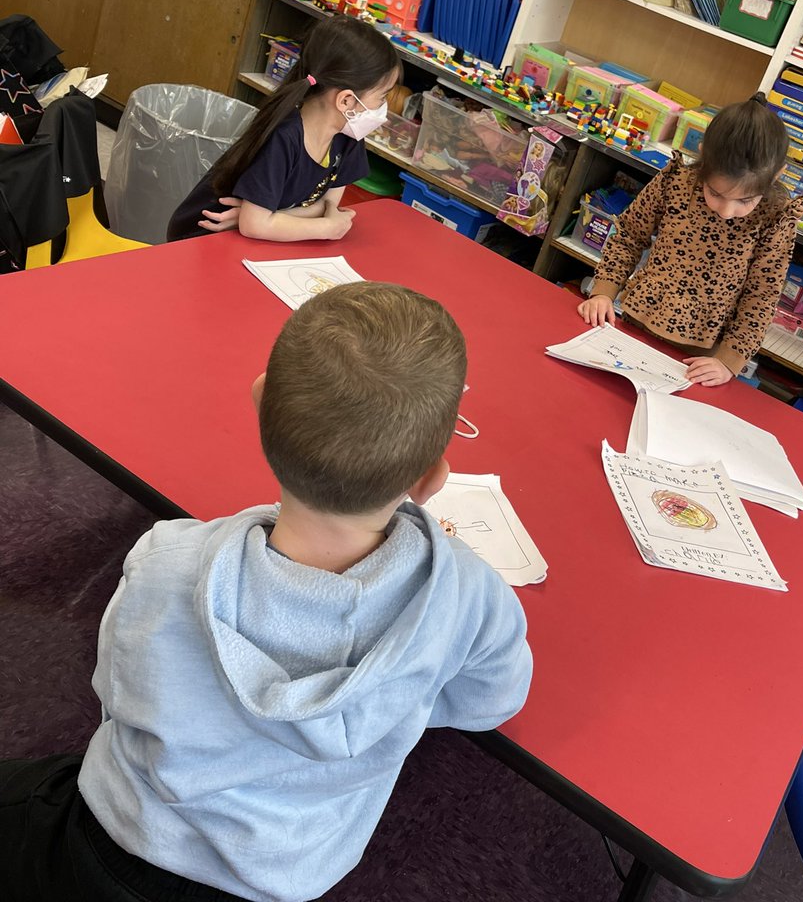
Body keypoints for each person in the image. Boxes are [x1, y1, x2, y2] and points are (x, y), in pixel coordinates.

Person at [0, 282, 532, 902]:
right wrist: (395, 694)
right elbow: (487, 704)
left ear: (258, 405)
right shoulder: (471, 599)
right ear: (433, 475)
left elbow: (115, 690)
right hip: (280, 876)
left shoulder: (169, 560)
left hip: (116, 838)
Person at [578, 95, 803, 387]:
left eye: (745, 201)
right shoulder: (676, 181)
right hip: (636, 318)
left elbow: (761, 295)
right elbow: (629, 234)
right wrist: (603, 291)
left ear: (776, 176)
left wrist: (728, 360)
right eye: (715, 193)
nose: (727, 212)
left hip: (703, 352)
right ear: (702, 157)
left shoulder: (775, 218)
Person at [167, 16, 401, 242]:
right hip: (203, 236)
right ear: (346, 101)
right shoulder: (284, 137)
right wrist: (325, 227)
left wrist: (268, 219)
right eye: (381, 97)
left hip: (251, 235)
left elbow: (328, 205)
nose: (383, 108)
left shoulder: (347, 136)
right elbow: (260, 225)